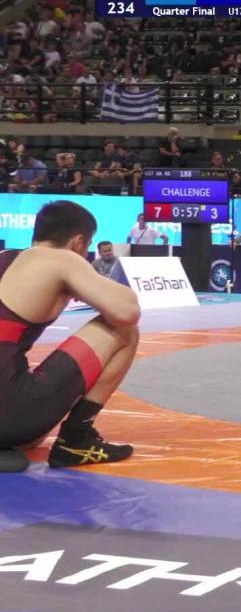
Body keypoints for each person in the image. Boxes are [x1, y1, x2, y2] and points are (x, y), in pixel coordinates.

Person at [0, 201, 141, 471]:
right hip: (9, 414)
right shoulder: (62, 259)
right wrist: (86, 281)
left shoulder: (5, 256)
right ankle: (76, 439)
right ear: (78, 242)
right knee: (124, 331)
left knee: (34, 435)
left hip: (9, 410)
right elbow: (127, 312)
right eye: (88, 247)